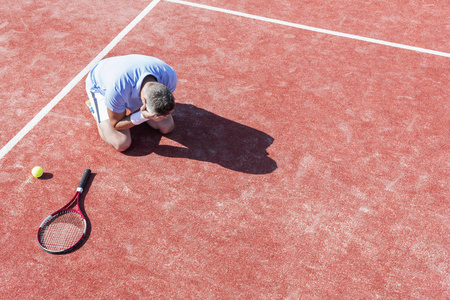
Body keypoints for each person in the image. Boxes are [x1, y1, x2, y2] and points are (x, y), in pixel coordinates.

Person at [85, 54, 177, 152]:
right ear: (144, 101)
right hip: (100, 86)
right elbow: (116, 123)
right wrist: (142, 116)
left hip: (126, 73)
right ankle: (95, 107)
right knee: (121, 143)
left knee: (167, 127)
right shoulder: (117, 90)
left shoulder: (170, 77)